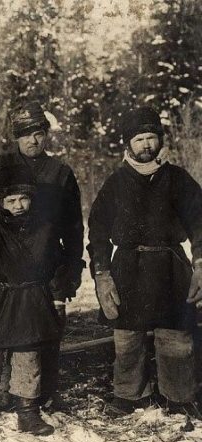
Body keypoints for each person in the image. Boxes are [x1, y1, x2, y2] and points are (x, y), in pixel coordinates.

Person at [87, 106, 202, 418]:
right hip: (128, 266)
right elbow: (97, 230)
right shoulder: (115, 183)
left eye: (151, 137)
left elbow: (199, 221)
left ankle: (179, 396)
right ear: (128, 144)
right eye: (139, 139)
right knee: (127, 337)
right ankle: (129, 394)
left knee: (176, 335)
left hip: (171, 266)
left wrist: (200, 263)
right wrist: (101, 272)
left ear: (160, 141)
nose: (146, 145)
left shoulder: (178, 179)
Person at [0, 101, 84, 411]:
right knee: (0, 333)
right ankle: (1, 396)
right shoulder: (0, 165)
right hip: (6, 263)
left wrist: (71, 270)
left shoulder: (60, 172)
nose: (32, 141)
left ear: (47, 135)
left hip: (46, 263)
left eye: (38, 133)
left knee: (44, 334)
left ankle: (39, 396)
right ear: (15, 138)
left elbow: (74, 227)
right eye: (25, 135)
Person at [0, 169, 62, 436]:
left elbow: (57, 265)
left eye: (23, 199)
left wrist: (59, 296)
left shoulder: (45, 228)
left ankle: (27, 411)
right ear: (0, 203)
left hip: (31, 298)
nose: (18, 206)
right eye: (11, 201)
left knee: (28, 355)